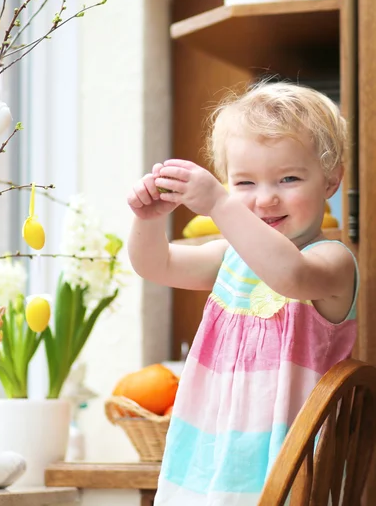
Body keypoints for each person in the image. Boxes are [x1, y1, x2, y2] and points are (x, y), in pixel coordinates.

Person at [127, 81, 358, 505]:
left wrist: (219, 204)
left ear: (330, 181)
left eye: (289, 178)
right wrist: (148, 219)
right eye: (245, 183)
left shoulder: (332, 261)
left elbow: (288, 274)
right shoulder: (231, 258)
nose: (266, 199)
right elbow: (154, 265)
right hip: (213, 450)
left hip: (291, 459)